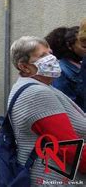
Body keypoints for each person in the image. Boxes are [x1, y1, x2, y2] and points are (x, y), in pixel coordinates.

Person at [9, 36, 86, 185]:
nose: (52, 58)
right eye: (43, 56)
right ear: (24, 66)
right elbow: (69, 149)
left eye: (50, 53)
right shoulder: (37, 93)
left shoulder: (40, 86)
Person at [46, 27, 86, 111]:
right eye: (84, 47)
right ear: (69, 46)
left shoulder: (81, 64)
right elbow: (67, 106)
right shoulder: (61, 70)